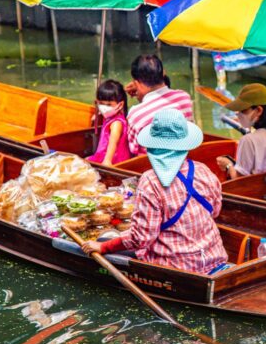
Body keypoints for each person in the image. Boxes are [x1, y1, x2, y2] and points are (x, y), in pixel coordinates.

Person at [81, 109, 229, 275]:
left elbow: (141, 238)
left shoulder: (150, 181)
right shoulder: (203, 170)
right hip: (213, 256)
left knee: (102, 239)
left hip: (175, 266)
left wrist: (103, 246)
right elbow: (214, 211)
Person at [215, 83, 266, 179]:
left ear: (259, 110)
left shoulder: (248, 140)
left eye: (243, 110)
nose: (238, 114)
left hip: (261, 191)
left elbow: (239, 180)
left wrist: (228, 165)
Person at [124, 54, 194, 155]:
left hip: (151, 167)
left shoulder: (135, 114)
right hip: (183, 157)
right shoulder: (184, 98)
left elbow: (133, 149)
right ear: (163, 73)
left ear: (137, 83)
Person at [86, 80, 132, 165]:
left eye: (108, 105)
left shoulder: (116, 124)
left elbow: (113, 143)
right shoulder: (110, 116)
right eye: (101, 103)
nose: (104, 108)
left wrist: (107, 160)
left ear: (120, 105)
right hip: (101, 155)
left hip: (112, 159)